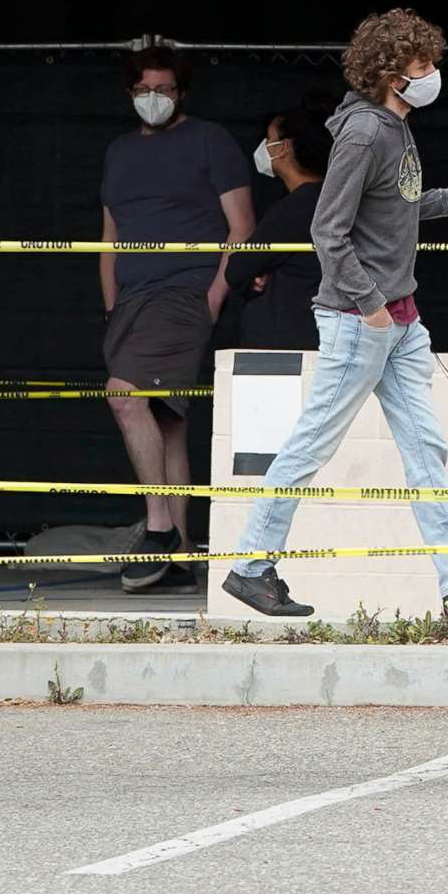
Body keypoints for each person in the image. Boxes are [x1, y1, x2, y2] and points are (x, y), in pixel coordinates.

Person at [224, 9, 448, 622]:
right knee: (313, 443)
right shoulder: (368, 134)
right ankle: (251, 567)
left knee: (424, 445)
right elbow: (327, 229)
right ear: (392, 75)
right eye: (423, 67)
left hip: (395, 319)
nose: (432, 75)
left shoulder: (389, 128)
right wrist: (369, 307)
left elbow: (392, 210)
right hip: (363, 320)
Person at [100, 44, 254, 593]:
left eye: (163, 90)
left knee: (124, 396)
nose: (153, 100)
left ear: (181, 92)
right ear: (129, 93)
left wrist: (214, 293)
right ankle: (182, 558)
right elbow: (110, 235)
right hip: (133, 301)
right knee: (167, 423)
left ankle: (160, 528)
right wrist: (111, 299)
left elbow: (241, 226)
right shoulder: (119, 150)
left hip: (184, 293)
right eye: (143, 90)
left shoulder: (210, 140)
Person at [218, 89, 336, 353]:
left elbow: (238, 268)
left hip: (287, 344)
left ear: (283, 148)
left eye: (268, 139)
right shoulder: (330, 199)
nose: (262, 146)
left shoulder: (297, 206)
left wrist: (256, 273)